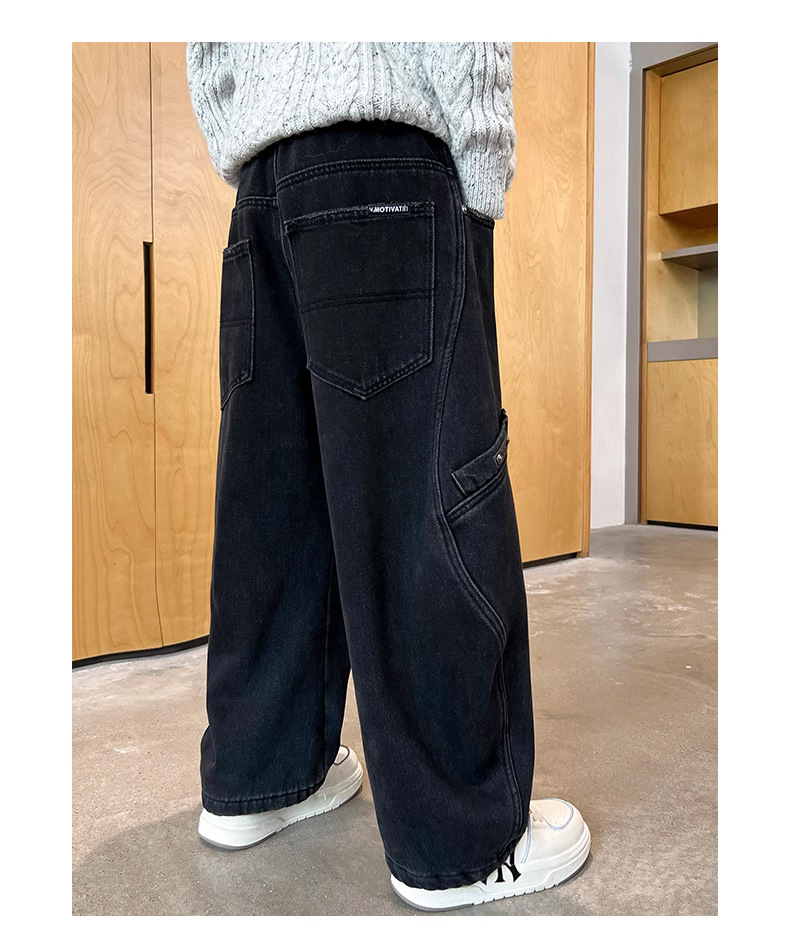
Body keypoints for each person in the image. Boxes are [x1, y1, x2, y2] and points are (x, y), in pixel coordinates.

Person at [186, 41, 590, 912]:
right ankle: (462, 840)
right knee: (424, 500)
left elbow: (207, 46)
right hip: (389, 159)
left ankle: (260, 777)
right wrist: (480, 175)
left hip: (262, 186)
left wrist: (252, 135)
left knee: (273, 501)